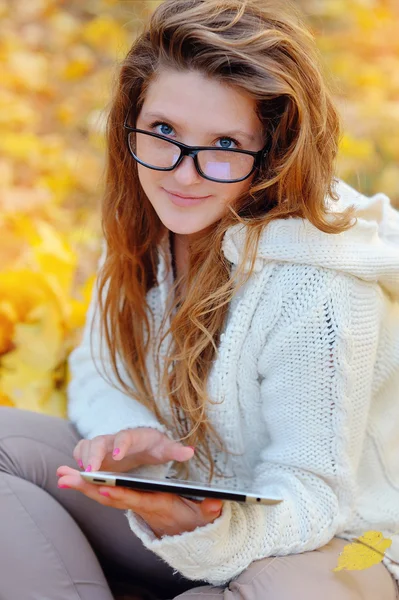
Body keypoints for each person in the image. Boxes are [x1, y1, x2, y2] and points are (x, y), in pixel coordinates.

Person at [1, 0, 399, 598]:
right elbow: (98, 364)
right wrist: (130, 440)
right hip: (184, 503)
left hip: (347, 540)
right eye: (164, 132)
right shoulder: (152, 223)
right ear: (131, 121)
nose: (184, 174)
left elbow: (315, 494)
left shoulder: (319, 289)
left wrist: (207, 532)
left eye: (225, 143)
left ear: (272, 153)